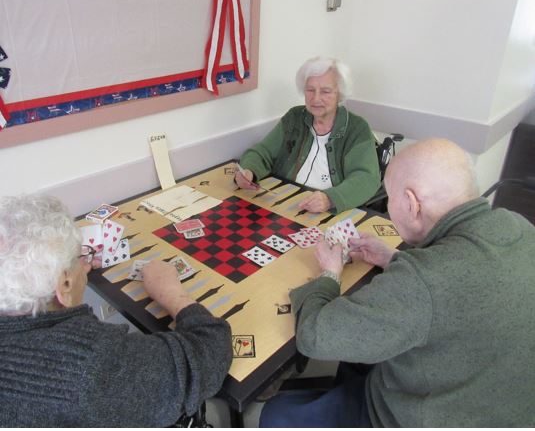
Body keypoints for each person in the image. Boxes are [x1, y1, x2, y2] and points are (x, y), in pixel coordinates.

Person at [259, 138, 535, 427]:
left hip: (422, 416)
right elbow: (458, 284)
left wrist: (329, 272)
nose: (389, 209)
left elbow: (314, 336)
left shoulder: (421, 280)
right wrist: (393, 258)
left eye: (389, 197)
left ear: (412, 204)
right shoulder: (518, 224)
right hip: (509, 405)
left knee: (277, 413)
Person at [0, 194, 233, 427]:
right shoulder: (87, 366)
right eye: (78, 258)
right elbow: (211, 353)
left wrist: (74, 271)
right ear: (65, 285)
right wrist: (173, 294)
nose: (85, 264)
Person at [236, 56, 380, 214]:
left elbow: (366, 178)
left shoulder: (357, 128)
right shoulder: (294, 117)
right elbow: (263, 152)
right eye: (310, 90)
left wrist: (330, 199)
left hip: (329, 212)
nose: (316, 98)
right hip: (285, 205)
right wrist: (249, 171)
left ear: (340, 94)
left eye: (325, 91)